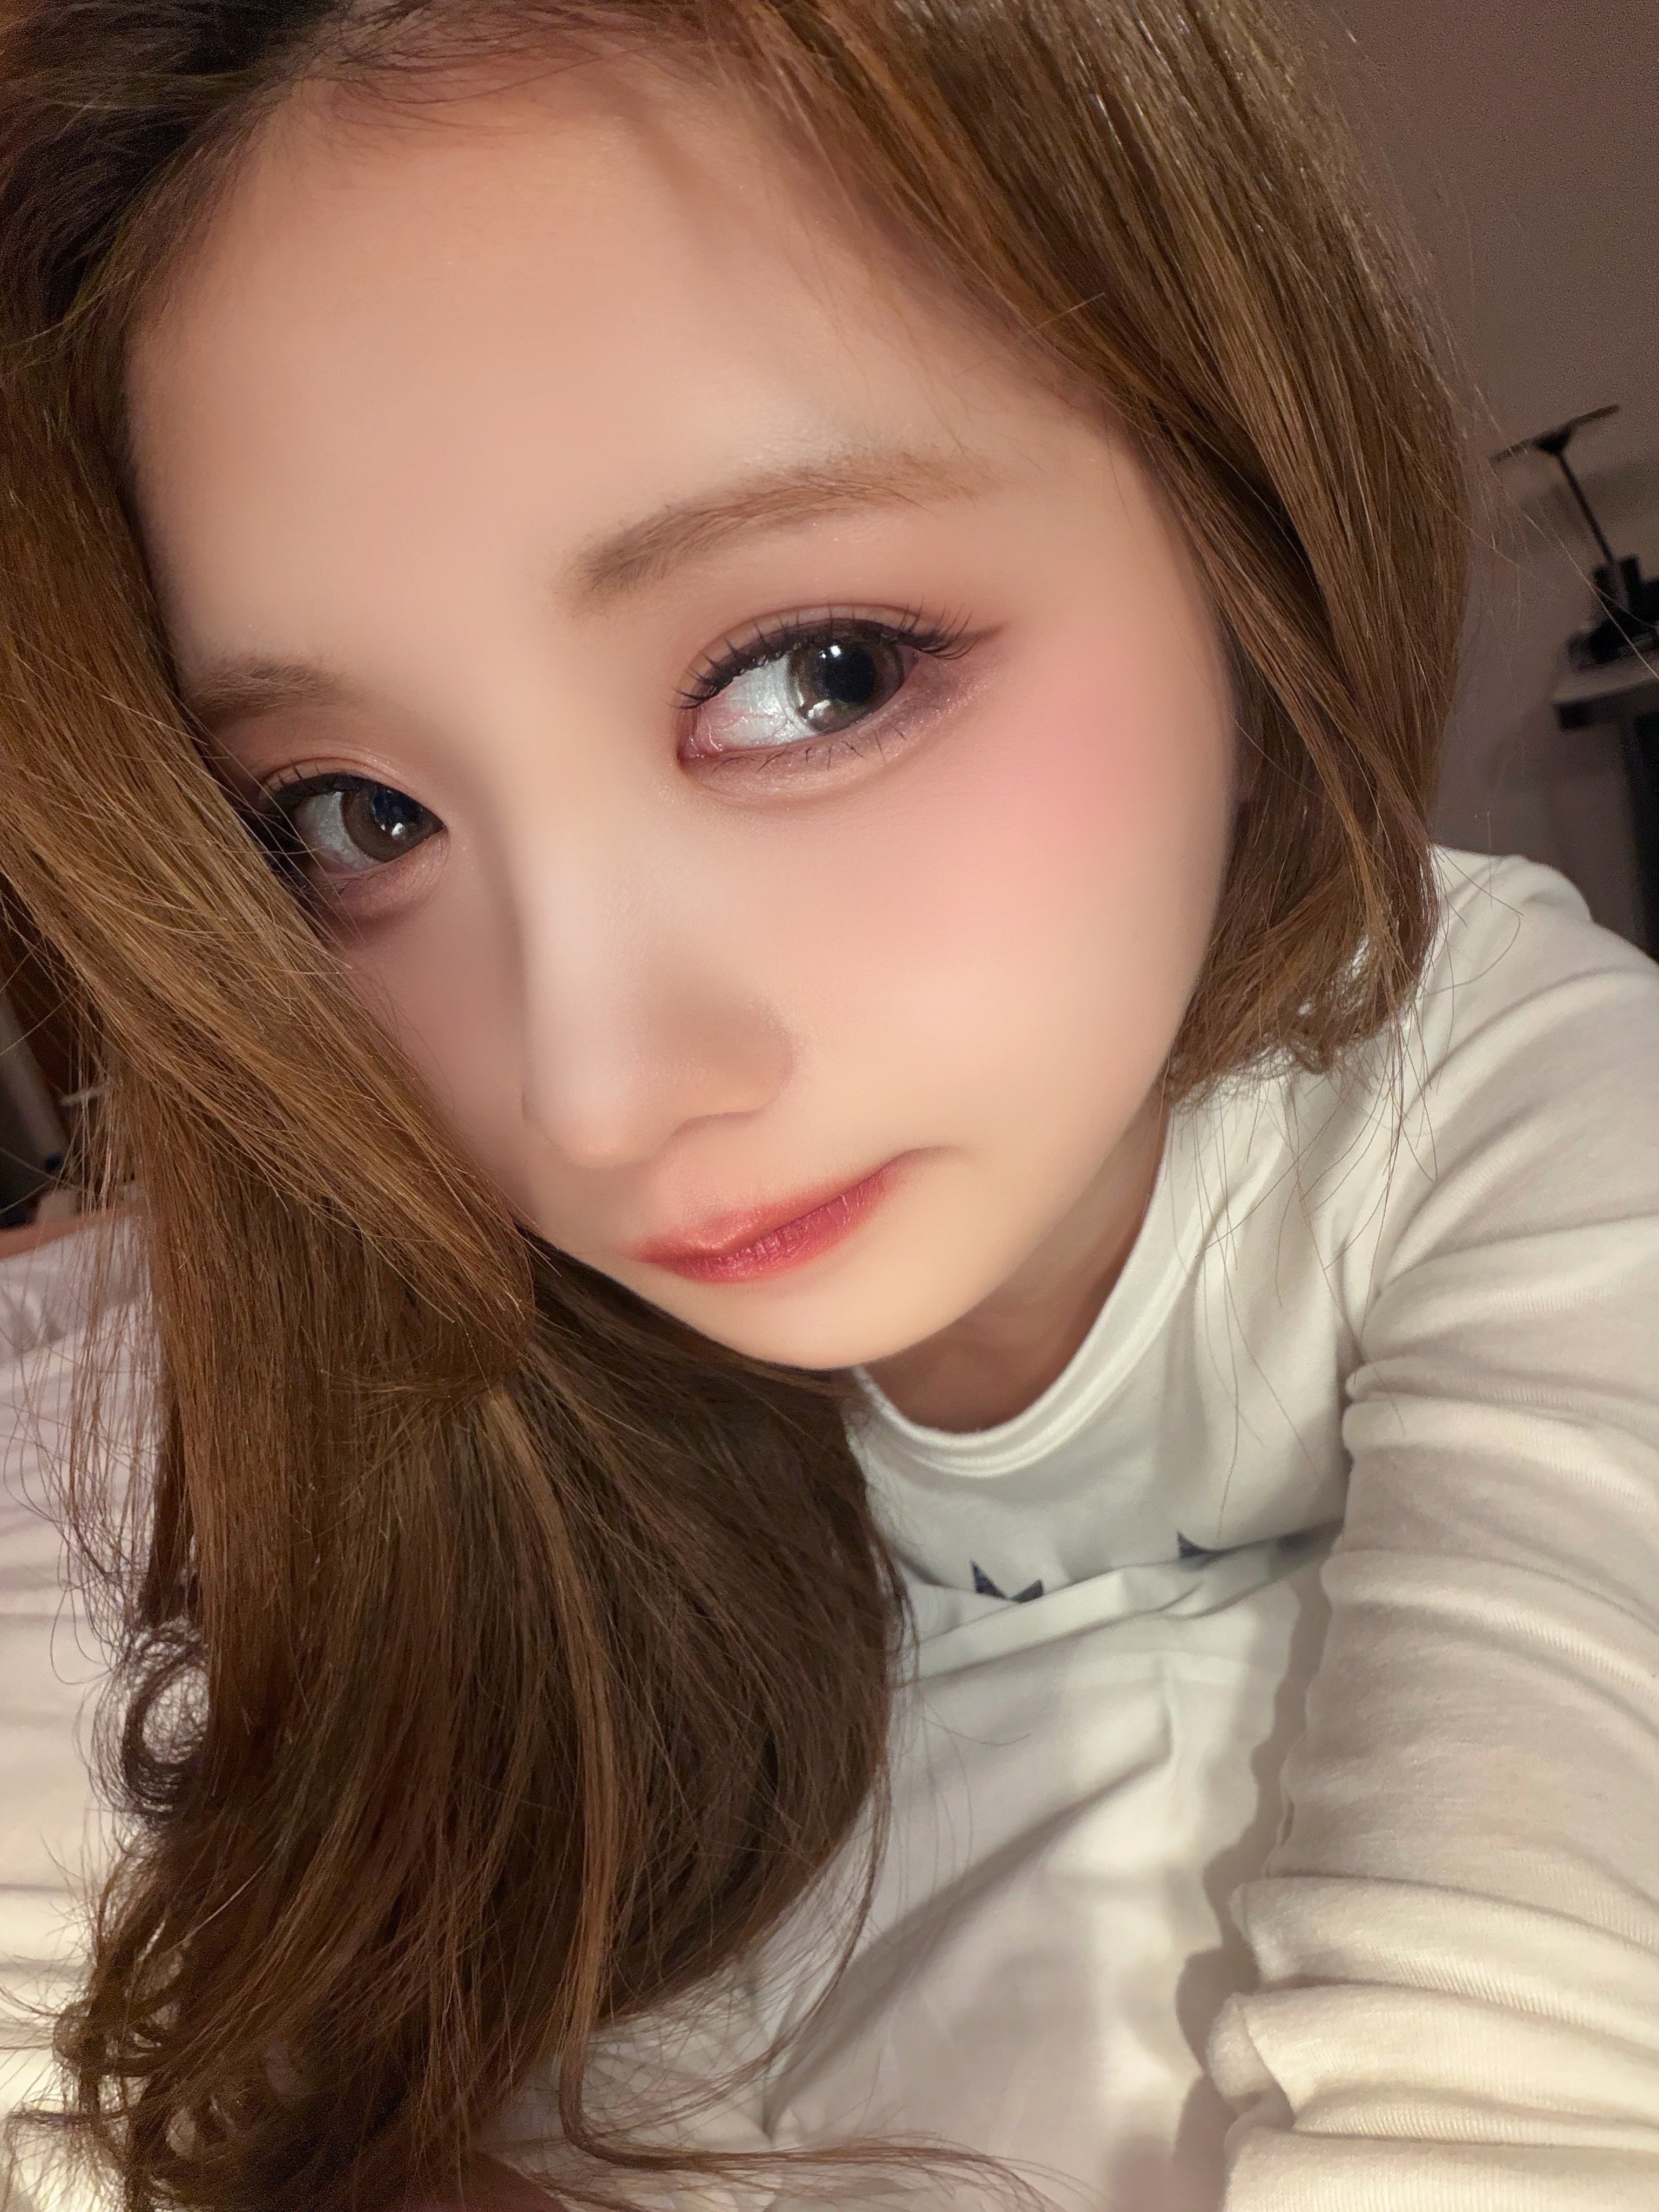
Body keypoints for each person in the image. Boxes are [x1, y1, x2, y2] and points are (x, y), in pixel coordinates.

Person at [2, 2, 1658, 2209]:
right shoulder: (364, 1312)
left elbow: (1524, 2094)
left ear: (1237, 532)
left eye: (818, 675)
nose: (595, 1091)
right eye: (353, 816)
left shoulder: (1503, 1092)